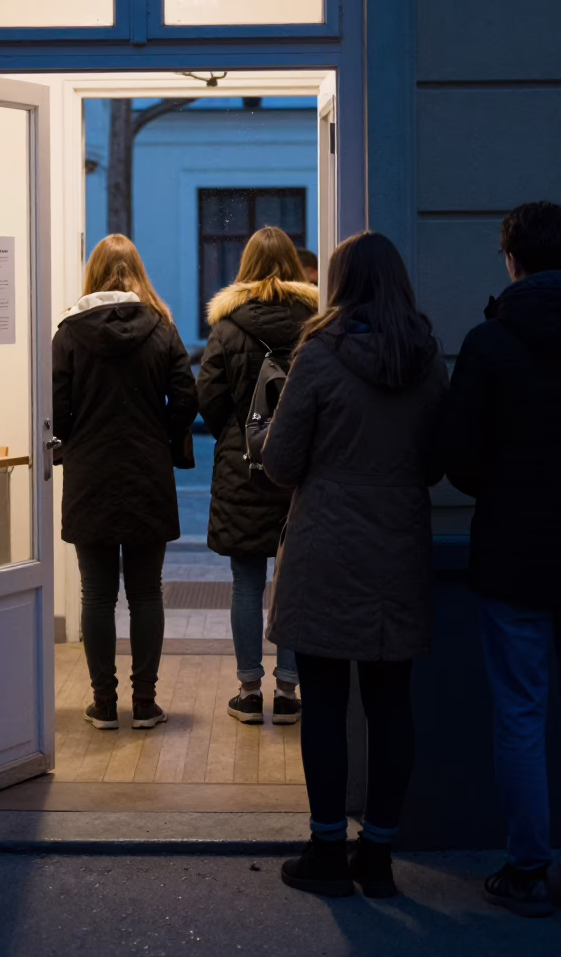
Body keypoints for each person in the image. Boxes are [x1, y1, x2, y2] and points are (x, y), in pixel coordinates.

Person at [263, 231, 448, 898]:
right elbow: (434, 464)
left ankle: (324, 850)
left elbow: (280, 462)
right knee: (391, 703)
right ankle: (379, 854)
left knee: (325, 704)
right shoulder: (426, 360)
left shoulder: (319, 355)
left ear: (339, 283)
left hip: (327, 549)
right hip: (398, 547)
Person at [445, 201, 561, 919]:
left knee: (521, 714)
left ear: (512, 259)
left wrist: (507, 483)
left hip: (515, 554)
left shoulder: (489, 343)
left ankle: (527, 869)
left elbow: (457, 461)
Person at [53, 234, 198, 731]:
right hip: (146, 472)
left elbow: (55, 411)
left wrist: (75, 437)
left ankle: (102, 703)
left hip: (89, 474)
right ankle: (145, 703)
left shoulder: (69, 332)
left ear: (93, 273)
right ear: (138, 270)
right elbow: (186, 398)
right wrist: (164, 433)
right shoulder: (161, 329)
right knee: (145, 593)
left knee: (95, 595)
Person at [197, 226, 318, 725]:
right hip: (300, 470)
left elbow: (207, 399)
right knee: (293, 580)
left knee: (246, 582)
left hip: (241, 467)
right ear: (293, 265)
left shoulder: (226, 328)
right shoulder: (315, 323)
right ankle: (289, 692)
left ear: (243, 266)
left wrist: (238, 425)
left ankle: (249, 691)